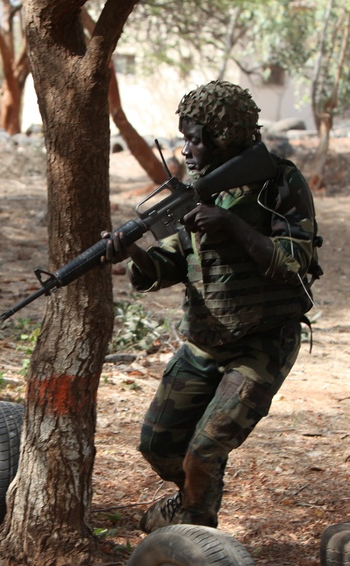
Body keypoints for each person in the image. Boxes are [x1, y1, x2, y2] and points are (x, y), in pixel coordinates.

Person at [103, 81, 321, 533]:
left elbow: (295, 261)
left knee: (205, 449)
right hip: (205, 342)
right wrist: (134, 252)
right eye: (183, 138)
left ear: (227, 136)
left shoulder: (278, 182)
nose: (186, 149)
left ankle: (195, 539)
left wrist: (232, 225)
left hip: (263, 342)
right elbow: (166, 265)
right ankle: (189, 501)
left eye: (196, 138)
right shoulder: (201, 191)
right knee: (157, 444)